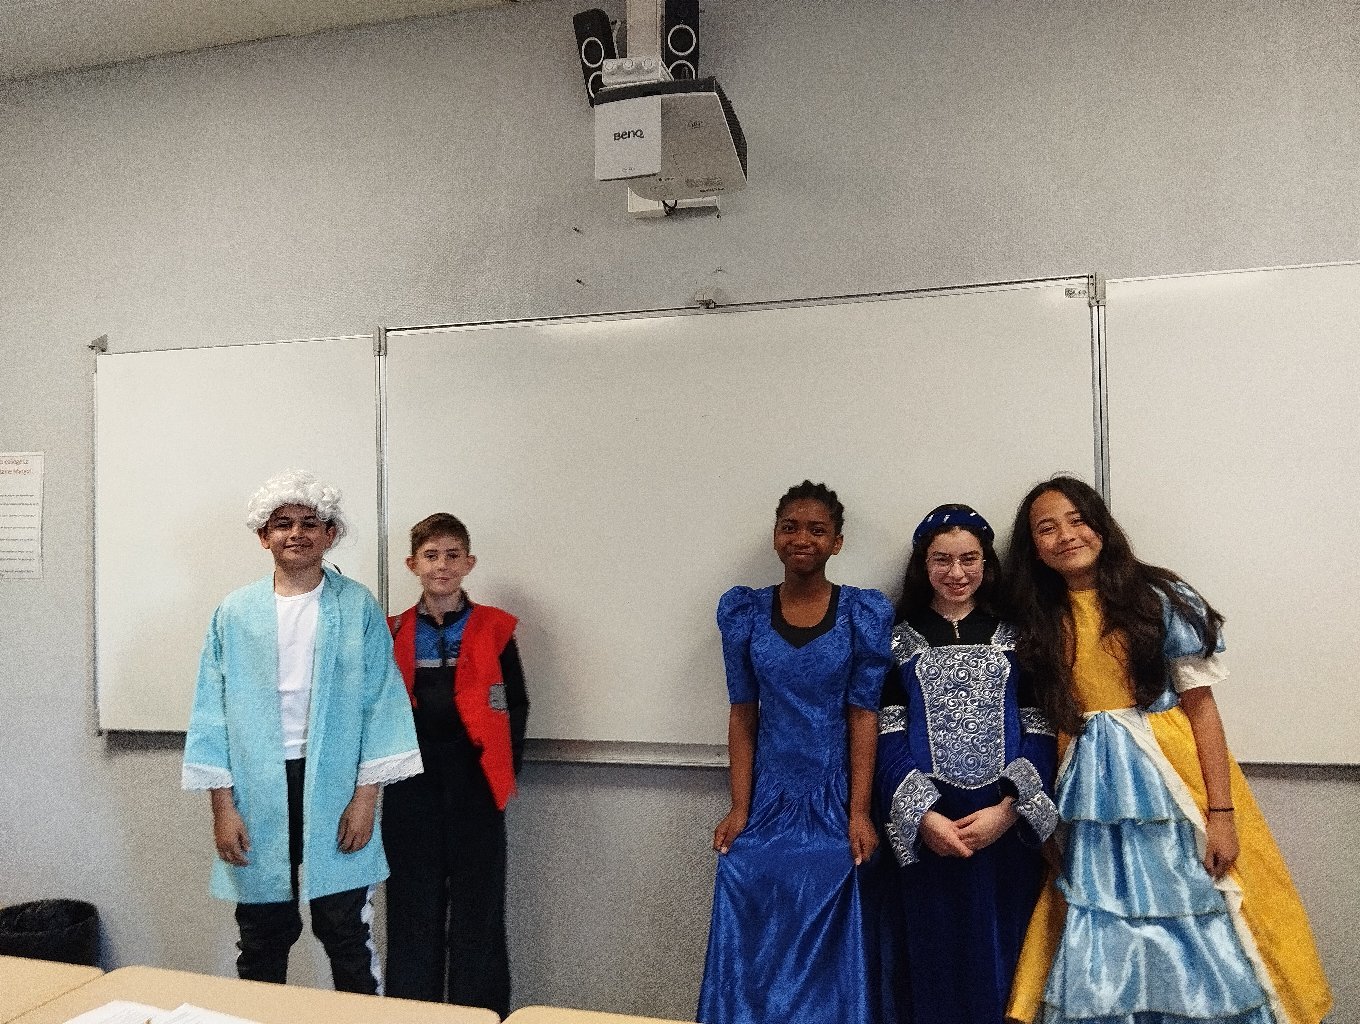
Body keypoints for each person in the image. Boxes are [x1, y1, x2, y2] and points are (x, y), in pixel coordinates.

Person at [1004, 476, 1332, 1024]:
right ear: (1033, 547)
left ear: (1101, 525)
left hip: (1171, 783)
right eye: (1047, 528)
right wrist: (1051, 825)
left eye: (1077, 519)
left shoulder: (1156, 598)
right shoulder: (1040, 619)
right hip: (1091, 798)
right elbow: (1051, 725)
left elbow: (1202, 711)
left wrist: (1221, 814)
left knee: (1198, 911)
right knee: (1105, 927)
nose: (1066, 535)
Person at [182, 470, 422, 993]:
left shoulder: (355, 606)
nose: (297, 533)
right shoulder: (235, 613)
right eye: (283, 524)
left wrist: (366, 799)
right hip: (256, 787)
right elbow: (211, 713)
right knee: (262, 933)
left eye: (310, 523)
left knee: (344, 928)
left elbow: (380, 704)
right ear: (263, 536)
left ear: (330, 533)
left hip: (335, 783)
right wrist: (223, 808)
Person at [697, 481, 893, 1024]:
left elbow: (863, 716)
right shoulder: (745, 612)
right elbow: (743, 714)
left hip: (834, 797)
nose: (802, 538)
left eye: (817, 529)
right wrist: (739, 808)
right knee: (742, 870)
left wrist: (859, 813)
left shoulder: (861, 613)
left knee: (843, 873)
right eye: (790, 527)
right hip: (769, 797)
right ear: (775, 536)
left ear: (837, 542)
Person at [874, 504, 1057, 1024]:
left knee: (1005, 952)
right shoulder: (896, 641)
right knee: (931, 955)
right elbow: (886, 734)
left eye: (969, 559)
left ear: (986, 563)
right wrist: (921, 816)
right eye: (942, 560)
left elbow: (1040, 729)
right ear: (923, 564)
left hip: (1003, 827)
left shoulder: (1017, 637)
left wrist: (1010, 808)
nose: (956, 573)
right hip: (929, 825)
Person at [382, 513, 529, 1017]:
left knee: (478, 911)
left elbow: (515, 706)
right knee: (412, 908)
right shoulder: (394, 630)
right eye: (430, 556)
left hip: (475, 784)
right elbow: (380, 711)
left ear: (469, 563)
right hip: (411, 786)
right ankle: (412, 1014)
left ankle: (479, 1014)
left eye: (452, 555)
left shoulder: (495, 628)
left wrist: (501, 779)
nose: (441, 566)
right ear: (412, 565)